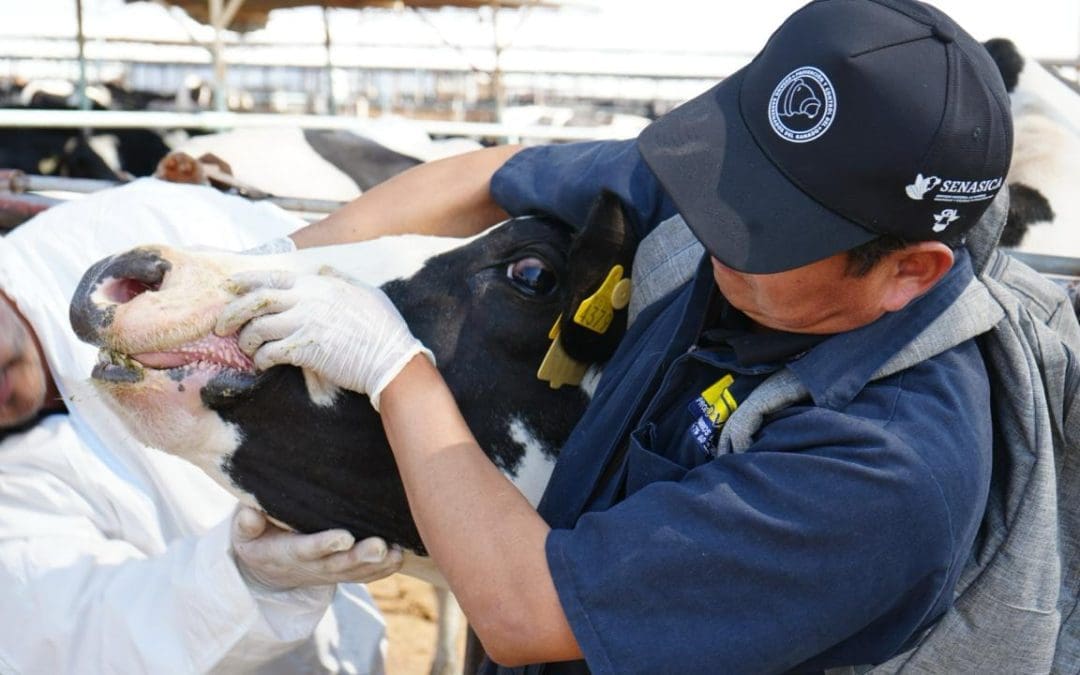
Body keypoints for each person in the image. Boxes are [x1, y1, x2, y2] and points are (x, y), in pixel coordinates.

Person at [222, 0, 1015, 671]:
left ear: (911, 270)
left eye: (765, 228)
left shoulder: (887, 469)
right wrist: (264, 273)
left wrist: (396, 367)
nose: (711, 222)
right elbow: (491, 172)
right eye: (730, 171)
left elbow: (526, 611)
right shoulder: (739, 206)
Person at [0, 178, 401, 674]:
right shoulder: (12, 488)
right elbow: (82, 632)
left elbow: (370, 271)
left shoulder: (140, 226)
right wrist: (250, 579)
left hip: (350, 634)